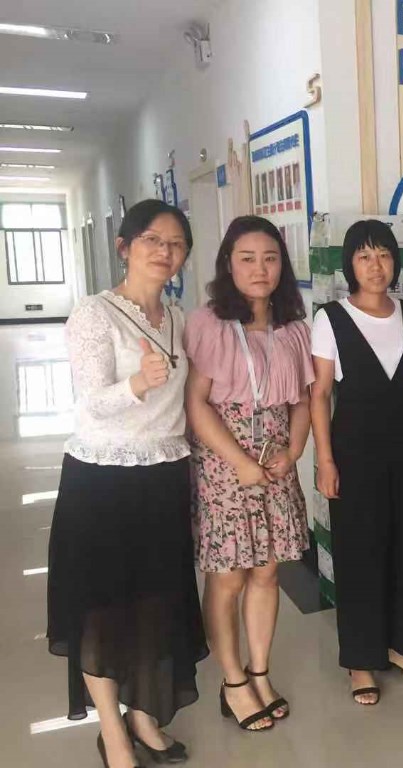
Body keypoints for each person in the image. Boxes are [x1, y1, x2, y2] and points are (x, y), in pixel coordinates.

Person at [47, 200, 208, 768]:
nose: (165, 252)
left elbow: (186, 403)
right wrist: (138, 383)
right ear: (125, 247)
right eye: (152, 240)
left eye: (176, 244)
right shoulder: (94, 314)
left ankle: (143, 713)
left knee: (155, 603)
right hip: (102, 482)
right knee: (103, 608)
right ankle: (112, 731)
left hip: (163, 477)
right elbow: (91, 402)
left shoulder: (179, 317)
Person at [183, 216, 313, 731]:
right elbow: (196, 403)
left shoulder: (293, 329)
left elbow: (302, 401)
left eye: (271, 258)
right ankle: (233, 681)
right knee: (228, 577)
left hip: (275, 461)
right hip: (224, 463)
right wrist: (239, 463)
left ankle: (260, 671)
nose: (261, 269)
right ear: (228, 265)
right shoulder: (209, 324)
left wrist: (294, 449)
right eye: (247, 258)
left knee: (267, 572)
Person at [309, 220, 403, 705]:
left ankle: (400, 646)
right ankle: (361, 661)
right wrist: (325, 461)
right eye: (364, 256)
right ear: (350, 264)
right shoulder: (331, 318)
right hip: (355, 453)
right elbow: (320, 394)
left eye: (383, 254)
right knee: (359, 554)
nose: (375, 265)